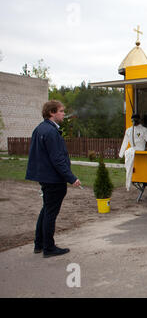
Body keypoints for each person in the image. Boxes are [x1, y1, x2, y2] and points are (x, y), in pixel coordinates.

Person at [26, 100, 81, 258]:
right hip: (53, 179)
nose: (64, 114)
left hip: (45, 177)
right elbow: (57, 159)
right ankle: (49, 248)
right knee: (50, 212)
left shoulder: (40, 129)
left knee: (46, 209)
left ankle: (39, 244)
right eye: (61, 111)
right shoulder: (50, 132)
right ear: (52, 113)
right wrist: (71, 178)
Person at [119, 113, 147, 191]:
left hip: (140, 149)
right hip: (132, 150)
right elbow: (125, 142)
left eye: (135, 120)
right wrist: (121, 153)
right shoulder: (129, 130)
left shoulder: (144, 130)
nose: (134, 122)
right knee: (128, 167)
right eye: (133, 120)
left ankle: (129, 184)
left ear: (139, 120)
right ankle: (128, 184)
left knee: (132, 168)